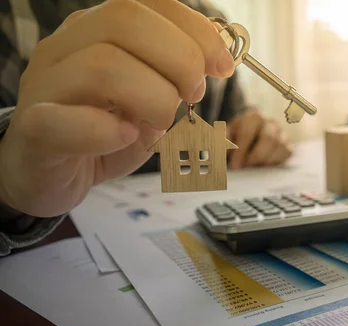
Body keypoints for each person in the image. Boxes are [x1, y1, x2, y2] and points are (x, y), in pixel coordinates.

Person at [0, 0, 293, 256]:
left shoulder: (213, 22)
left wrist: (256, 130)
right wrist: (7, 188)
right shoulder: (12, 18)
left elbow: (236, 116)